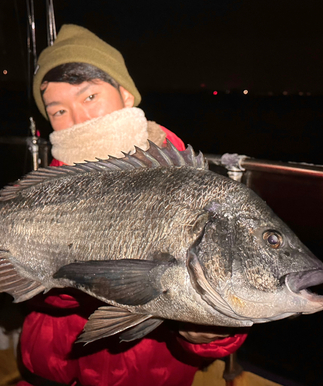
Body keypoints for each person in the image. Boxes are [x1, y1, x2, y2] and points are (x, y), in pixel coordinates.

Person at [17, 24, 248, 386]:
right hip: (52, 368)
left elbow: (232, 296)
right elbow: (32, 295)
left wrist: (210, 333)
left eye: (89, 97)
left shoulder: (186, 186)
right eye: (58, 111)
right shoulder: (45, 190)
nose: (79, 120)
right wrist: (63, 278)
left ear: (126, 95)